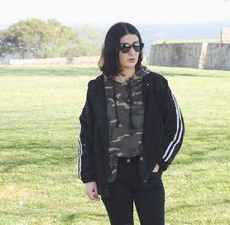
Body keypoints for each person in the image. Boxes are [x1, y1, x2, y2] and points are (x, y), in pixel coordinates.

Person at [78, 22, 184, 225]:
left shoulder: (155, 83)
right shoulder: (96, 88)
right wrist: (89, 177)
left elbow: (176, 127)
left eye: (137, 45)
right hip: (112, 176)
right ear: (113, 50)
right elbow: (86, 135)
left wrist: (160, 162)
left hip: (147, 171)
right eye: (125, 47)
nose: (132, 51)